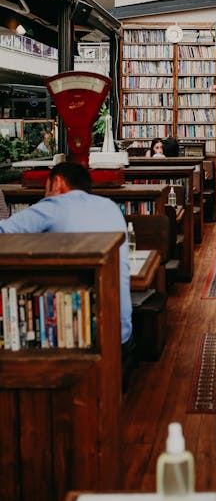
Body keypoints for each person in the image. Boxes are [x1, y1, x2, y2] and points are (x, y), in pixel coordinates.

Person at [0, 161, 135, 387]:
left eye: (46, 188)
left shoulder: (53, 205)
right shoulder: (110, 206)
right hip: (122, 338)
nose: (45, 195)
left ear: (58, 183)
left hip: (85, 341)